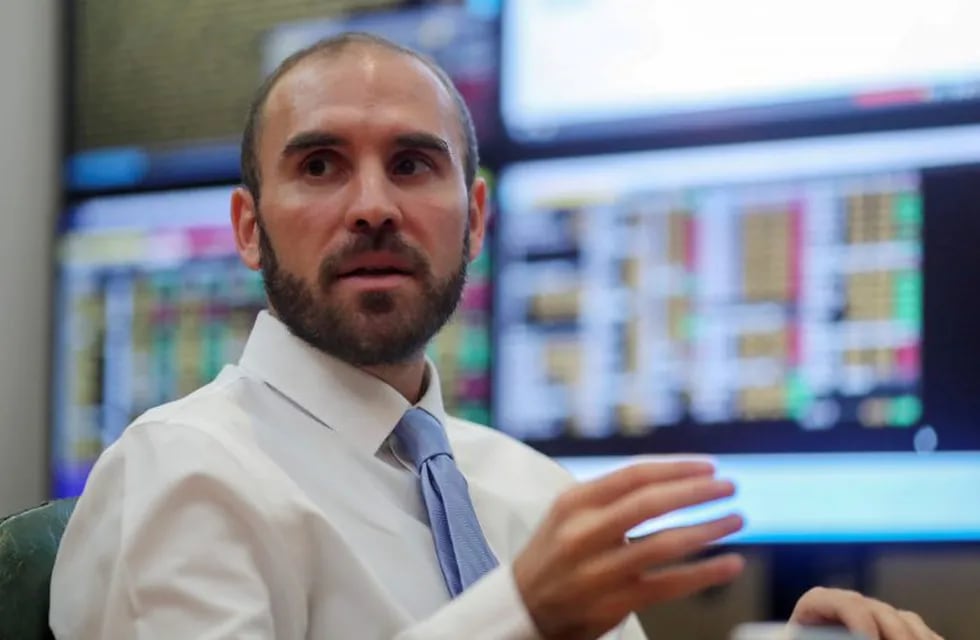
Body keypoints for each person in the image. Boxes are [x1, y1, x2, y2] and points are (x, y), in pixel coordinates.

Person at [50, 32, 942, 640]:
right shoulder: (179, 470)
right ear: (248, 228)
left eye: (412, 164)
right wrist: (517, 614)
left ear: (474, 218)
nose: (372, 207)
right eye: (320, 165)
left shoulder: (534, 493)